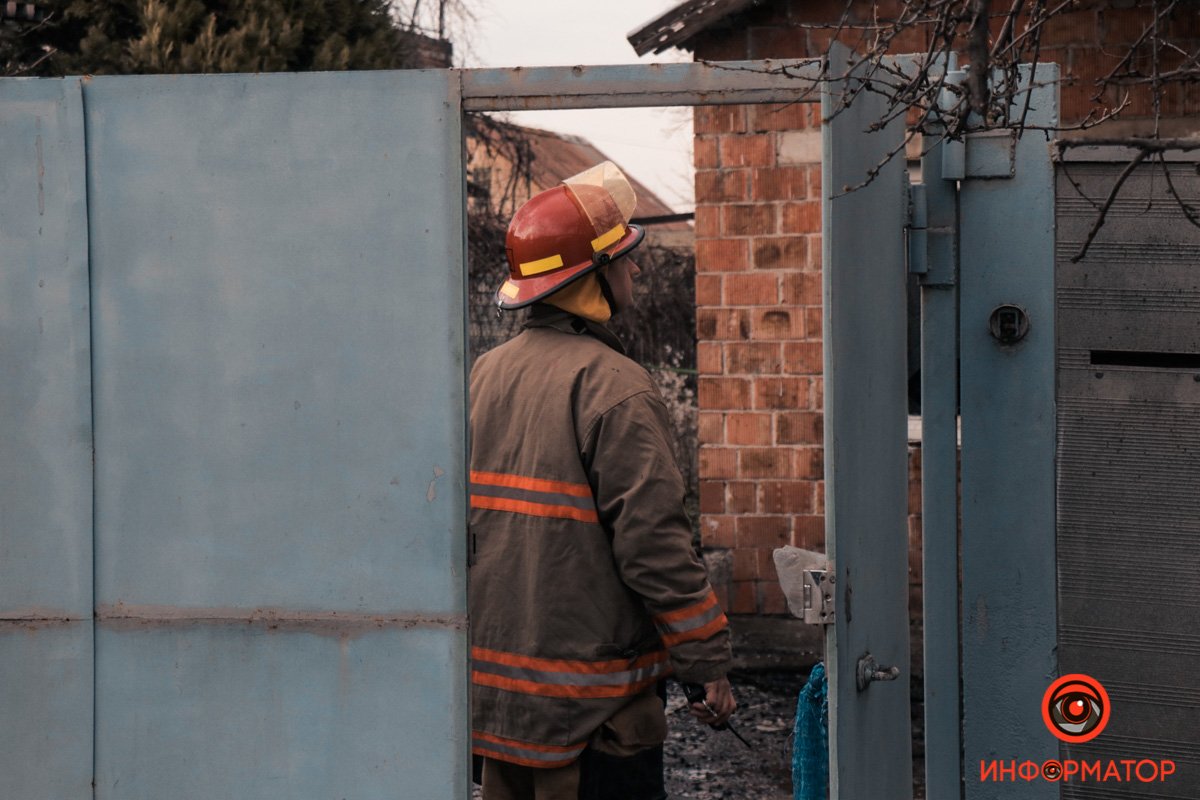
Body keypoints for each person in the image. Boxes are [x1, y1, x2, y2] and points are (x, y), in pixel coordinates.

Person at [469, 161, 736, 800]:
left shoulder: (482, 376)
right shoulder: (615, 387)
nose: (635, 268)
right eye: (622, 258)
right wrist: (707, 666)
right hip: (595, 719)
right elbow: (655, 547)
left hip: (502, 713)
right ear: (590, 278)